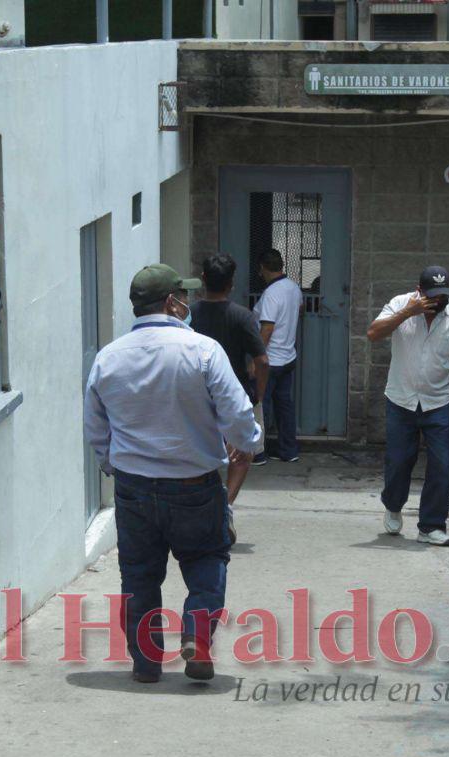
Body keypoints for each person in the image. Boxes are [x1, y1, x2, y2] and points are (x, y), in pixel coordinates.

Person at [84, 263, 261, 684]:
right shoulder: (202, 350)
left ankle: (145, 664)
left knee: (139, 575)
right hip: (194, 485)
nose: (188, 303)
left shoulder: (108, 358)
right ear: (171, 302)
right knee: (206, 561)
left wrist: (116, 466)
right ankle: (196, 639)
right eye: (184, 296)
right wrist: (248, 443)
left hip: (134, 487)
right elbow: (236, 414)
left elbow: (95, 427)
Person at [367, 266, 449, 547]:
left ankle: (431, 526)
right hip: (401, 400)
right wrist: (407, 313)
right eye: (433, 296)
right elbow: (373, 333)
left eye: (444, 296)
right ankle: (393, 504)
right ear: (419, 291)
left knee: (442, 464)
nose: (439, 301)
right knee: (399, 462)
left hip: (438, 402)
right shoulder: (400, 305)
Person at [190, 253, 269, 523]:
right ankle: (225, 506)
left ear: (203, 279)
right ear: (231, 284)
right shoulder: (242, 317)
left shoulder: (190, 315)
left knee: (200, 452)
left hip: (197, 395)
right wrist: (259, 392)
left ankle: (206, 507)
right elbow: (262, 360)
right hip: (233, 397)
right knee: (242, 454)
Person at [254, 248, 302, 463]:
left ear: (263, 268)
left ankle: (258, 452)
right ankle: (288, 450)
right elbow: (298, 311)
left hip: (270, 359)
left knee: (261, 405)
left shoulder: (271, 294)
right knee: (284, 406)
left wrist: (257, 359)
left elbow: (267, 329)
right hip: (288, 357)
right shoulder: (294, 288)